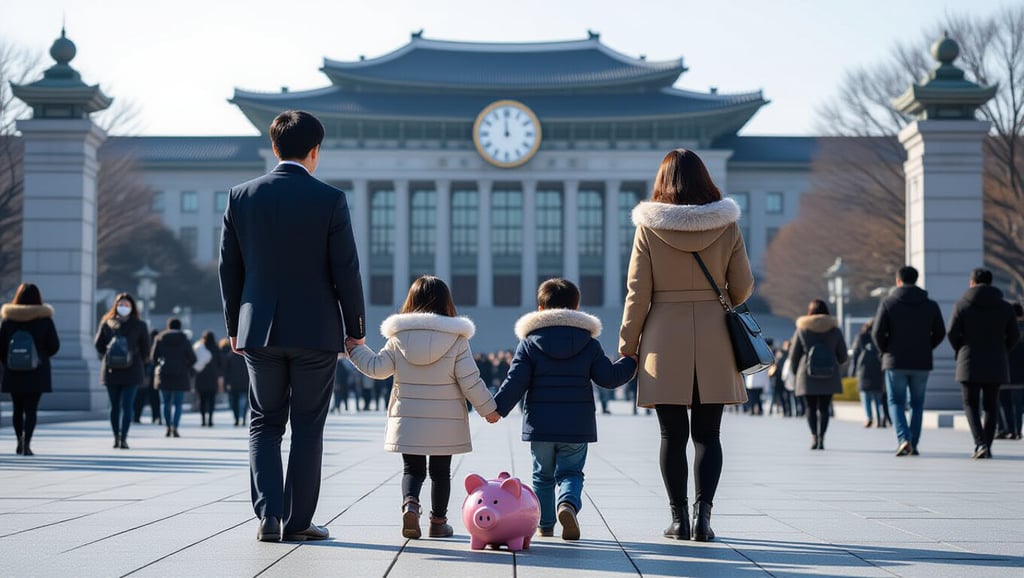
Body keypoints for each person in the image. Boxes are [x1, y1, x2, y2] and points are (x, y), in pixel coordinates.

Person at [219, 110, 366, 543]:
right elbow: (346, 269)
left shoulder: (241, 196)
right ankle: (299, 521)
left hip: (258, 330)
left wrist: (234, 326)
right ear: (315, 151)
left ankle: (268, 515)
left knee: (264, 423)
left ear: (274, 146)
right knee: (307, 426)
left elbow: (229, 269)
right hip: (316, 331)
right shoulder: (330, 199)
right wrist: (355, 327)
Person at [619, 149, 754, 542]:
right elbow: (743, 286)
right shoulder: (727, 225)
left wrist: (628, 343)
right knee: (709, 434)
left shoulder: (649, 228)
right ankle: (703, 518)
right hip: (715, 334)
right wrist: (718, 297)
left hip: (664, 336)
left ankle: (678, 519)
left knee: (671, 435)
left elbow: (637, 293)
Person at [346, 276, 499, 540]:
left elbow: (377, 368)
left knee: (412, 470)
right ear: (446, 303)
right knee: (441, 473)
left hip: (409, 418)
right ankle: (438, 523)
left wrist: (354, 350)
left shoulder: (398, 337)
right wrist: (489, 410)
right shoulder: (457, 339)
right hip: (445, 421)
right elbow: (470, 380)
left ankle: (410, 505)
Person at [493, 278, 636, 541]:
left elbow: (515, 381)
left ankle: (545, 525)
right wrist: (630, 362)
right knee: (571, 472)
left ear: (540, 308)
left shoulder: (529, 343)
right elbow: (608, 378)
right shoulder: (588, 343)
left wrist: (497, 409)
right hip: (576, 425)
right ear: (576, 307)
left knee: (542, 476)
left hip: (541, 426)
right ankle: (567, 504)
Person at [872, 265, 946, 457]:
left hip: (895, 361)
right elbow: (940, 332)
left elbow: (877, 332)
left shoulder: (888, 303)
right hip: (921, 361)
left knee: (895, 401)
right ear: (916, 280)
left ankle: (903, 439)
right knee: (917, 403)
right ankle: (914, 441)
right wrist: (927, 347)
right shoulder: (930, 304)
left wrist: (885, 351)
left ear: (898, 281)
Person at [947, 269, 1020, 459]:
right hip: (996, 361)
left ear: (972, 282)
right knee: (991, 404)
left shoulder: (962, 305)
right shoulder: (1005, 307)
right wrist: (1003, 350)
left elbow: (952, 333)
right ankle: (987, 444)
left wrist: (961, 349)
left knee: (970, 404)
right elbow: (1014, 335)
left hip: (968, 360)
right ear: (991, 282)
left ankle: (980, 443)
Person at [0, 283, 60, 456]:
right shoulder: (45, 319)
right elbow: (54, 345)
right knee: (31, 409)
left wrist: (9, 362)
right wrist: (41, 356)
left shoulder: (8, 320)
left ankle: (19, 441)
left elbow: (1, 347)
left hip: (13, 371)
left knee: (17, 408)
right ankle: (27, 443)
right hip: (37, 371)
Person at [789, 300, 848, 450]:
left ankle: (814, 436)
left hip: (807, 374)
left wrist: (796, 372)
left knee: (810, 407)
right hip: (829, 373)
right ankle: (822, 437)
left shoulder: (802, 329)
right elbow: (843, 356)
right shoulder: (835, 330)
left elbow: (794, 355)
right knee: (824, 408)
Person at [94, 293, 150, 450]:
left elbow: (98, 345)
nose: (123, 307)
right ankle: (121, 438)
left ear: (132, 307)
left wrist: (108, 354)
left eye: (126, 305)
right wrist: (137, 357)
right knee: (123, 406)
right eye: (121, 305)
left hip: (111, 369)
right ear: (116, 306)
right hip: (132, 369)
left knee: (118, 406)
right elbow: (146, 350)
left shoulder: (107, 322)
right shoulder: (139, 325)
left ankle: (118, 437)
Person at [151, 318, 196, 438]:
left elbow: (153, 357)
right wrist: (184, 366)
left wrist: (161, 364)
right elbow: (193, 359)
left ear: (168, 326)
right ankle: (175, 426)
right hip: (180, 375)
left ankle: (167, 426)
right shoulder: (184, 339)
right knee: (178, 404)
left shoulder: (159, 338)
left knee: (166, 403)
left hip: (164, 375)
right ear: (180, 327)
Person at [851, 321, 885, 428]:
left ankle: (869, 417)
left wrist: (853, 370)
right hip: (878, 369)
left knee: (865, 396)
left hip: (864, 370)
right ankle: (880, 418)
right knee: (878, 397)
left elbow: (855, 354)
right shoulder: (881, 336)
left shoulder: (861, 337)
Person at [999, 303, 1024, 440]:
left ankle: (1006, 429)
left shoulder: (1004, 329)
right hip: (1021, 374)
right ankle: (1017, 430)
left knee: (1004, 403)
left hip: (1005, 371)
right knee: (1018, 405)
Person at [193, 331, 222, 427]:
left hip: (200, 377)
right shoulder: (216, 349)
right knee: (211, 400)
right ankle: (210, 420)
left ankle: (203, 420)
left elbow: (194, 362)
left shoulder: (199, 348)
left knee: (202, 400)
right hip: (213, 378)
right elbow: (220, 363)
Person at [134, 329, 162, 425]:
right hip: (153, 375)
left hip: (145, 374)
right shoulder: (158, 344)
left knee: (140, 397)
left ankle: (136, 416)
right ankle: (156, 417)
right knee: (155, 398)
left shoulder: (145, 344)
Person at [220, 337, 250, 426]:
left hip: (233, 383)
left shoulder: (230, 356)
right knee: (245, 401)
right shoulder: (246, 355)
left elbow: (226, 371)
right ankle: (243, 418)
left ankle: (236, 419)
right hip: (245, 381)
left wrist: (227, 383)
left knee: (234, 402)